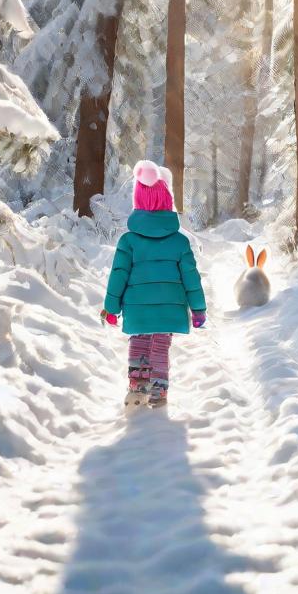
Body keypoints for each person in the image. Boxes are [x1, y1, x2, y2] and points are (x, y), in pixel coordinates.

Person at [101, 160, 207, 408]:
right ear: (167, 202)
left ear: (138, 202)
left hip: (138, 310)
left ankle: (137, 389)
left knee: (139, 343)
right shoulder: (180, 242)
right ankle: (159, 393)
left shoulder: (128, 241)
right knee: (160, 346)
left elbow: (118, 276)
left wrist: (111, 308)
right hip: (169, 310)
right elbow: (191, 278)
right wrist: (199, 309)